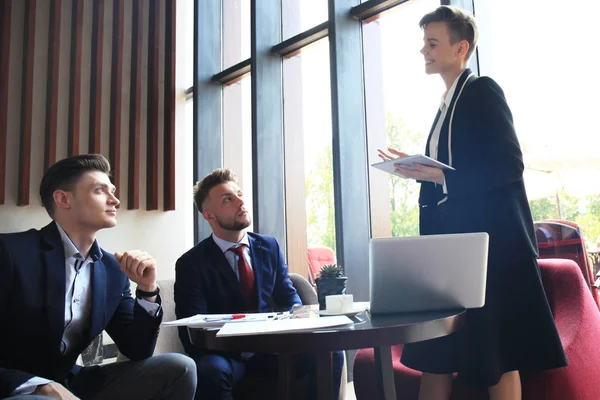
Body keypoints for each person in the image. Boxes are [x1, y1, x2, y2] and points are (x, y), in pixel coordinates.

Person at [378, 6, 567, 400]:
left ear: (460, 47)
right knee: (438, 354)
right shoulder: (447, 103)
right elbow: (457, 169)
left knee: (498, 356)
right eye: (424, 43)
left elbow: (510, 165)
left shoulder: (481, 91)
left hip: (492, 252)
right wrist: (419, 168)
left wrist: (441, 174)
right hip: (455, 251)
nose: (423, 51)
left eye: (432, 42)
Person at [0, 154, 197, 400]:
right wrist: (37, 385)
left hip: (73, 382)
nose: (115, 200)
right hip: (13, 387)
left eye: (112, 190)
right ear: (63, 199)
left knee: (180, 368)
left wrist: (147, 289)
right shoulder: (11, 252)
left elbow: (137, 350)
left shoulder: (112, 270)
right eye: (100, 190)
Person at [174, 168, 343, 400]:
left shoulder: (269, 246)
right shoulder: (191, 264)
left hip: (274, 350)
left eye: (239, 194)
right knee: (210, 371)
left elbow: (289, 297)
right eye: (227, 199)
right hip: (226, 356)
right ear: (209, 215)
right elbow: (191, 330)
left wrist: (296, 324)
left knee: (331, 352)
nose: (240, 201)